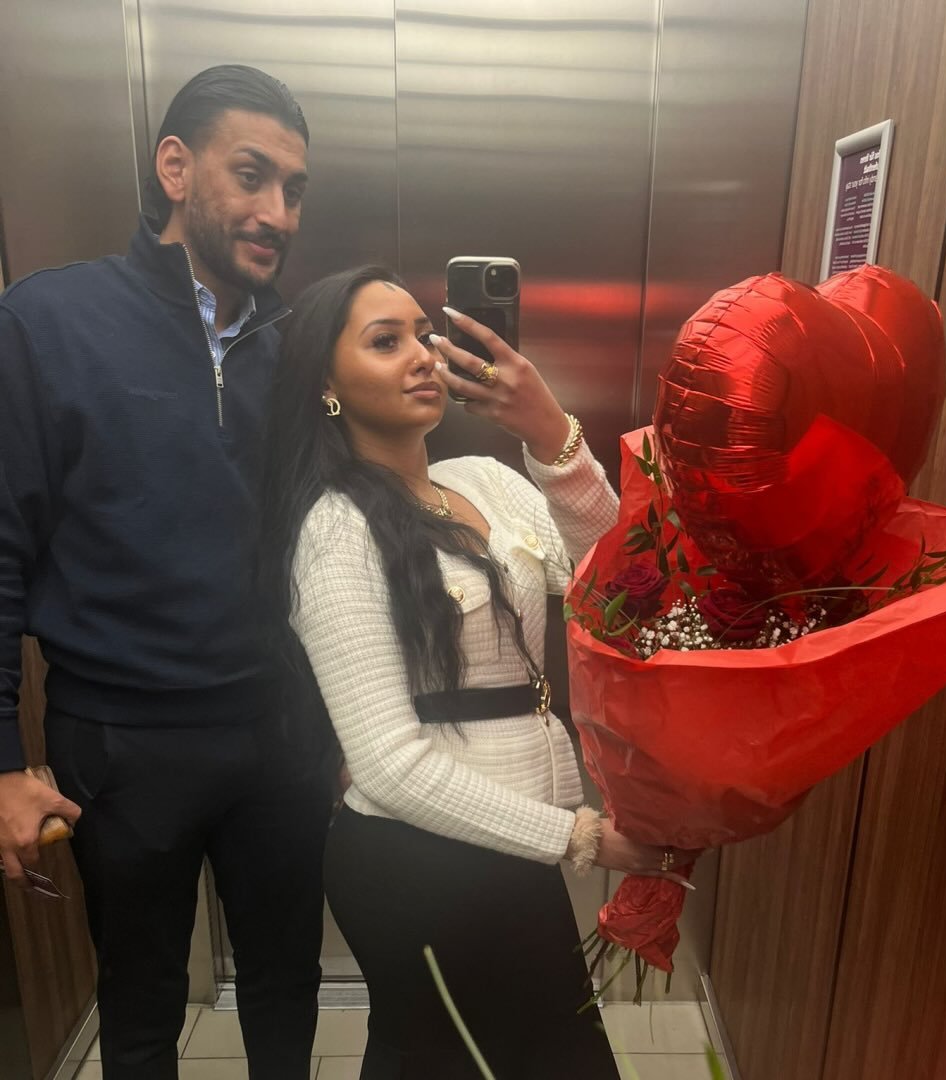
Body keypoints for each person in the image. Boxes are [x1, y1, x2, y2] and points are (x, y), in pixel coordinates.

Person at [261, 266, 697, 1079]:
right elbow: (388, 765)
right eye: (385, 342)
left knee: (550, 1053)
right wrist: (584, 838)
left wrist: (551, 436)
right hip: (416, 860)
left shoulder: (483, 481)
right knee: (455, 1060)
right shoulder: (335, 532)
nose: (421, 355)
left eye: (423, 334)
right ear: (326, 383)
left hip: (514, 845)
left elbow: (623, 582)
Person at [0, 66, 330, 1079]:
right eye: (251, 176)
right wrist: (1, 760)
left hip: (278, 730)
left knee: (286, 987)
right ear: (175, 169)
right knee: (139, 1006)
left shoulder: (298, 345)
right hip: (122, 741)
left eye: (294, 190)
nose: (277, 214)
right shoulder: (47, 323)